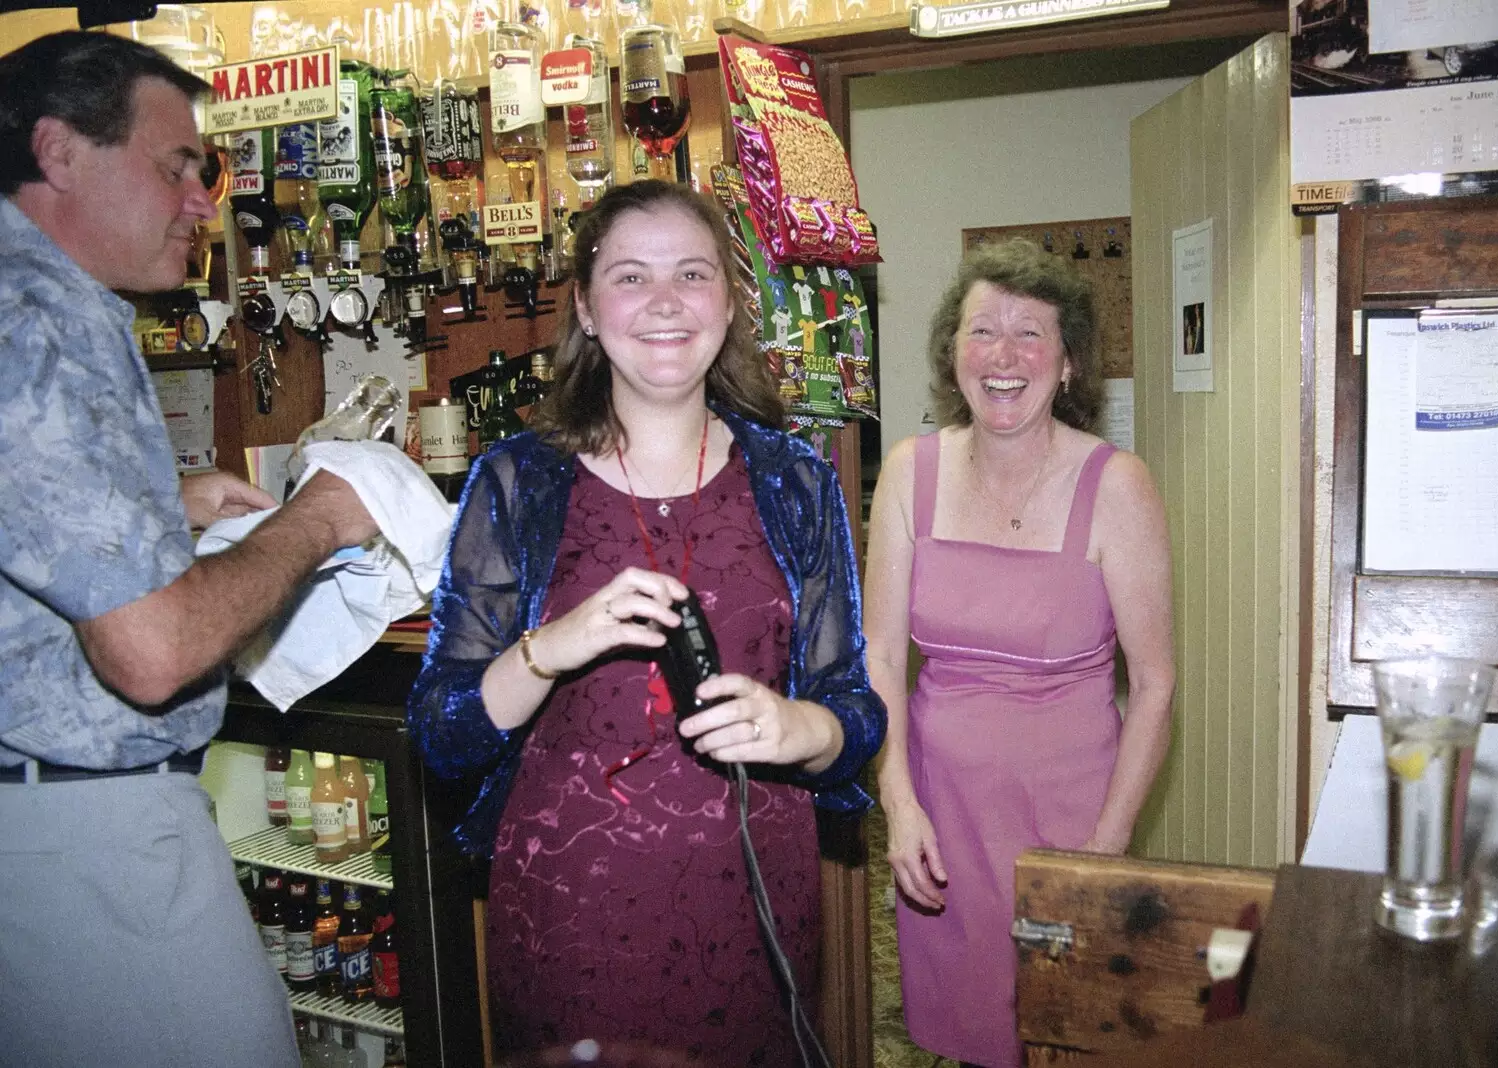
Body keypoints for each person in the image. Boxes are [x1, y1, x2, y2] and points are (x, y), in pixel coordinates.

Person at [408, 180, 885, 1064]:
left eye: (692, 274)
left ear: (729, 301)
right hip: (572, 918)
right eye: (630, 277)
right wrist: (548, 650)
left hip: (756, 913)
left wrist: (798, 725)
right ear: (586, 309)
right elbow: (442, 734)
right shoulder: (517, 483)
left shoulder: (797, 481)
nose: (665, 302)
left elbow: (855, 718)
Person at [0, 32, 378, 1068]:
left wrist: (164, 505)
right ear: (60, 150)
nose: (206, 201)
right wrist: (321, 519)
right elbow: (152, 652)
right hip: (88, 842)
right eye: (178, 166)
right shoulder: (43, 319)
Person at [862, 239, 1175, 1068]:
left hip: (1070, 827)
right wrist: (898, 809)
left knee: (1066, 1038)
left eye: (1030, 334)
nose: (1003, 357)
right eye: (981, 331)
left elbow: (1154, 686)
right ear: (952, 354)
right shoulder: (907, 472)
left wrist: (1104, 853)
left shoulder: (1119, 486)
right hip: (944, 820)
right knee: (971, 1044)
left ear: (1068, 363)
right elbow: (882, 661)